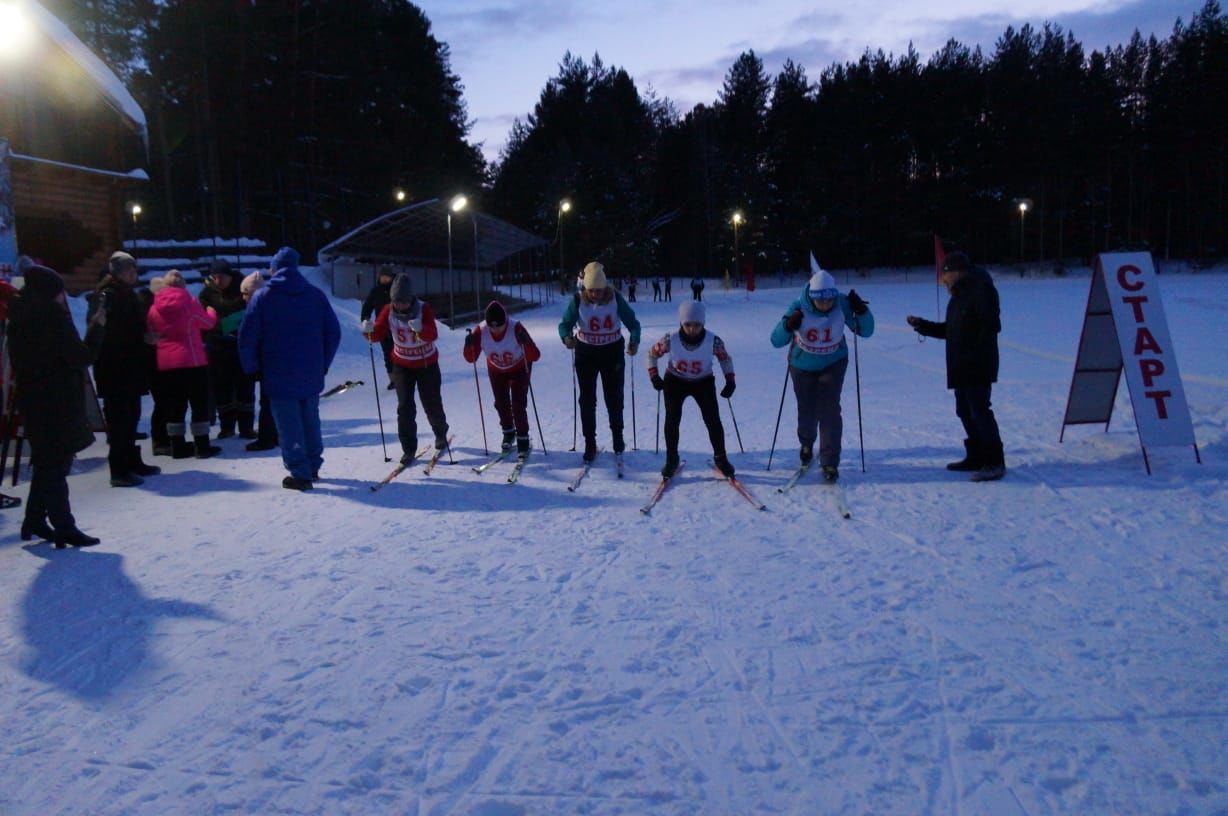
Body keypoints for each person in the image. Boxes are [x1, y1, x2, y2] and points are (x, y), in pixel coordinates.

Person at [6, 262, 104, 546]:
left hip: (34, 399)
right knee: (56, 466)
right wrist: (96, 328)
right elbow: (81, 356)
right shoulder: (52, 317)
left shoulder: (19, 314)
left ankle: (34, 520)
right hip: (58, 399)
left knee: (47, 462)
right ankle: (64, 527)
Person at [239, 246, 341, 490]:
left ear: (273, 269)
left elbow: (247, 335)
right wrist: (323, 363)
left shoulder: (264, 297)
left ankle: (300, 473)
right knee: (310, 419)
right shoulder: (315, 295)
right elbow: (333, 333)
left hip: (277, 371)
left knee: (288, 423)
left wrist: (251, 367)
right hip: (311, 371)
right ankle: (313, 465)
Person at [906, 251, 1005, 481]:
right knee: (964, 411)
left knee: (980, 410)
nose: (942, 280)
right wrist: (922, 325)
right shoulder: (958, 296)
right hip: (960, 364)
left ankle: (994, 461)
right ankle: (977, 456)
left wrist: (974, 351)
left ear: (957, 272)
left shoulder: (982, 289)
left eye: (945, 274)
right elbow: (949, 330)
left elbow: (990, 326)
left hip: (977, 364)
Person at [770, 267, 874, 482]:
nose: (825, 304)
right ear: (812, 296)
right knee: (807, 409)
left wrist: (862, 312)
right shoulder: (799, 305)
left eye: (829, 299)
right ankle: (807, 443)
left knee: (829, 411)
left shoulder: (842, 303)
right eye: (820, 300)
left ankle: (829, 461)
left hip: (833, 364)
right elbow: (776, 340)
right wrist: (788, 325)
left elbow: (866, 331)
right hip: (802, 365)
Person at [362, 273, 450, 466]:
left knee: (431, 402)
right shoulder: (388, 310)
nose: (400, 306)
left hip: (426, 363)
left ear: (411, 299)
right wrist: (368, 331)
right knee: (405, 407)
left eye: (403, 302)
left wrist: (421, 330)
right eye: (396, 302)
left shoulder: (423, 309)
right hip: (402, 364)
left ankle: (440, 433)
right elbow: (377, 334)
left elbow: (433, 334)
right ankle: (408, 449)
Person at [557, 261, 641, 463]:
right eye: (591, 290)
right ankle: (589, 442)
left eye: (599, 290)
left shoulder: (616, 299)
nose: (595, 294)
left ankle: (617, 437)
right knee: (587, 399)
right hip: (586, 353)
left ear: (605, 287)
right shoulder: (578, 300)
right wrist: (566, 337)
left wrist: (634, 340)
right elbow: (565, 324)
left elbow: (633, 323)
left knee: (614, 398)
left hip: (612, 352)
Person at [89, 250, 160, 486]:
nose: (134, 274)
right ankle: (118, 469)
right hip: (115, 368)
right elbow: (108, 333)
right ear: (119, 273)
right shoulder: (108, 295)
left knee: (132, 416)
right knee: (120, 419)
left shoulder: (125, 293)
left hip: (129, 366)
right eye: (130, 270)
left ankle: (131, 461)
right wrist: (142, 339)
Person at [647, 301, 736, 479]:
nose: (692, 329)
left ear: (703, 323)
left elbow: (725, 359)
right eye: (688, 324)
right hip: (675, 381)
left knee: (712, 419)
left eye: (697, 325)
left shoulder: (714, 341)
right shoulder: (669, 339)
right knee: (672, 419)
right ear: (681, 323)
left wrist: (730, 380)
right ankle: (672, 458)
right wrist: (654, 376)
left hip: (703, 381)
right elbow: (652, 354)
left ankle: (721, 457)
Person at [147, 270, 221, 459]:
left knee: (174, 405)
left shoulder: (154, 307)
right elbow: (207, 323)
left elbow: (150, 330)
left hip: (166, 363)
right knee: (199, 403)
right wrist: (212, 311)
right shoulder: (189, 303)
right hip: (192, 359)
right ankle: (202, 445)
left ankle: (177, 445)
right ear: (182, 285)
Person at [463, 300, 541, 457]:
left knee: (518, 403)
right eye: (492, 326)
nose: (496, 330)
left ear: (505, 321)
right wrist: (468, 346)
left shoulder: (515, 327)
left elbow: (535, 355)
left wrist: (525, 341)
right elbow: (471, 359)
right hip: (496, 369)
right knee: (501, 402)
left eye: (499, 326)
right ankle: (508, 432)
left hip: (519, 367)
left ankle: (523, 438)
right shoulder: (481, 331)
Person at [198, 258, 255, 438]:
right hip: (217, 346)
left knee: (244, 387)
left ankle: (246, 427)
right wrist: (216, 326)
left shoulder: (243, 288)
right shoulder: (208, 293)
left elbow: (251, 313)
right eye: (214, 277)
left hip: (240, 345)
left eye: (221, 277)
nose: (218, 281)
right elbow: (200, 316)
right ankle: (227, 427)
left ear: (229, 275)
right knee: (222, 388)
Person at [239, 271, 278, 452]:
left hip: (266, 359)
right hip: (277, 359)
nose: (243, 298)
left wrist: (250, 365)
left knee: (267, 400)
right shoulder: (275, 303)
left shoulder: (257, 307)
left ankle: (267, 437)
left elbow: (247, 339)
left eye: (245, 294)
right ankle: (276, 434)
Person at [361, 265, 395, 389]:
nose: (385, 280)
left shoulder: (396, 289)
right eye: (383, 277)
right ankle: (393, 379)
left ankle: (406, 376)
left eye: (387, 277)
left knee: (399, 352)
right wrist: (365, 319)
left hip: (397, 326)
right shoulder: (375, 291)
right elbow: (367, 306)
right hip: (382, 327)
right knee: (388, 354)